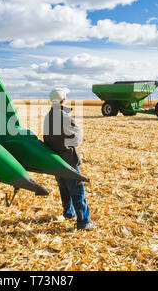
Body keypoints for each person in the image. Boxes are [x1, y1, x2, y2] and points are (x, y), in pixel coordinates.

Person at [43, 88, 94, 230]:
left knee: (64, 189)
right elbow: (76, 139)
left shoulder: (49, 116)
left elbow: (47, 138)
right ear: (63, 100)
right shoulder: (63, 116)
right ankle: (84, 223)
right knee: (77, 192)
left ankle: (68, 213)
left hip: (56, 161)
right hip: (69, 160)